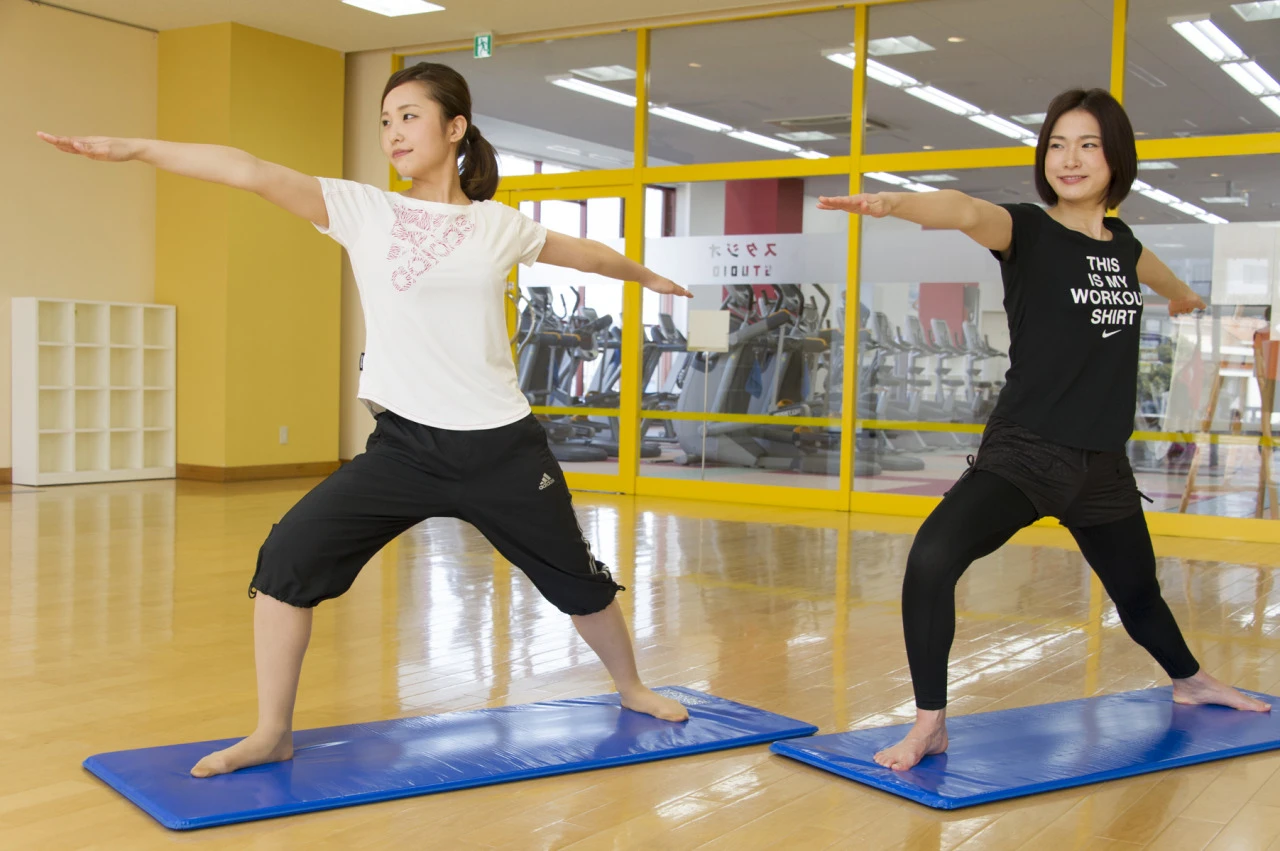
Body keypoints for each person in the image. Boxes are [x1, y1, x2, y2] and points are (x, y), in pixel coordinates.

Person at [39, 61, 693, 779]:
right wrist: (136, 149)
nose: (393, 132)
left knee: (576, 577)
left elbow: (586, 253)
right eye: (385, 120)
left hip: (503, 446)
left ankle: (631, 686)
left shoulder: (498, 225)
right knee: (288, 558)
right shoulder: (361, 209)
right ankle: (271, 730)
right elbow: (246, 169)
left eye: (409, 115)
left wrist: (644, 274)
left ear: (455, 128)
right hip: (405, 447)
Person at [817, 87, 1269, 772]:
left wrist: (1181, 295)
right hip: (1027, 452)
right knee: (933, 559)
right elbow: (966, 210)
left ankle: (1191, 679)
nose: (1070, 157)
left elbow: (1148, 269)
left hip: (1103, 466)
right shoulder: (1026, 230)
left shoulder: (1122, 245)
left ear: (1116, 157)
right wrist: (896, 203)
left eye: (1087, 144)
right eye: (1058, 144)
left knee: (1139, 592)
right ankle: (931, 722)